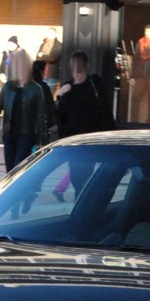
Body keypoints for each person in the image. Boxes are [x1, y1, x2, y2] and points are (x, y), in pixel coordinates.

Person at [52, 51, 114, 201]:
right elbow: (58, 116)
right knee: (76, 174)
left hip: (92, 137)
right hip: (73, 139)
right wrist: (59, 96)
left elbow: (105, 109)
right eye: (75, 69)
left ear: (86, 67)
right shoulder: (67, 87)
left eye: (80, 69)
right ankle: (80, 200)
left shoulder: (95, 82)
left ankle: (82, 201)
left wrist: (111, 134)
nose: (77, 73)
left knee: (86, 173)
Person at [0, 48, 48, 173]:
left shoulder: (36, 89)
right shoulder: (8, 86)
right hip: (9, 133)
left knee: (18, 168)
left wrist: (42, 141)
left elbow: (41, 116)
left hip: (26, 134)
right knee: (9, 169)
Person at [131, 24, 150, 122]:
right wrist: (133, 76)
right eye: (146, 31)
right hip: (140, 73)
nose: (147, 33)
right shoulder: (140, 42)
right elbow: (135, 59)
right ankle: (134, 120)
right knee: (135, 97)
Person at [35, 27, 63, 94]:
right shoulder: (43, 45)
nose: (50, 35)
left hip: (52, 75)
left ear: (55, 35)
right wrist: (45, 56)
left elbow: (53, 58)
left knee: (49, 95)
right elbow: (37, 57)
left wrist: (42, 55)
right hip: (42, 74)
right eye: (49, 34)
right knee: (41, 95)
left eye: (52, 34)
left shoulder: (59, 45)